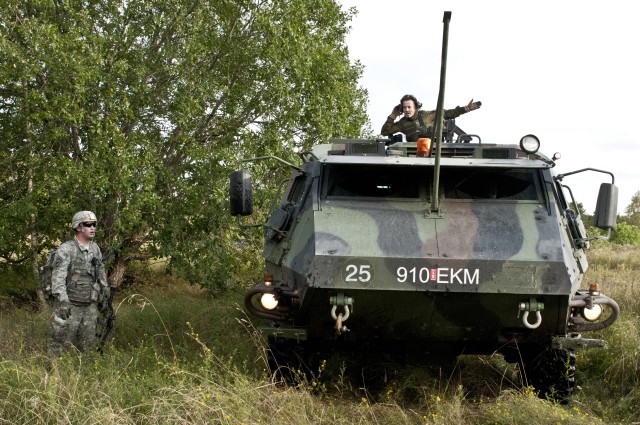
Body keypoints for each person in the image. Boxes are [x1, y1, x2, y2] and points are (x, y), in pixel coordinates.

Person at [49, 210, 110, 356]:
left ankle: (84, 375)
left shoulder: (95, 249)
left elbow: (101, 273)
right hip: (70, 306)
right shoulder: (66, 249)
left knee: (88, 347)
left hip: (89, 306)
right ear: (78, 227)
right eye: (88, 224)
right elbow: (57, 279)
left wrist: (104, 293)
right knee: (60, 346)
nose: (92, 227)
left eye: (94, 224)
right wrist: (63, 301)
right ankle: (53, 375)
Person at [381, 94, 481, 142]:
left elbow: (449, 113)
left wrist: (466, 108)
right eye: (404, 107)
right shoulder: (402, 123)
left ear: (415, 108)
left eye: (409, 107)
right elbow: (385, 131)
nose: (406, 110)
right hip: (413, 154)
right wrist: (393, 115)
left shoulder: (426, 115)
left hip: (434, 151)